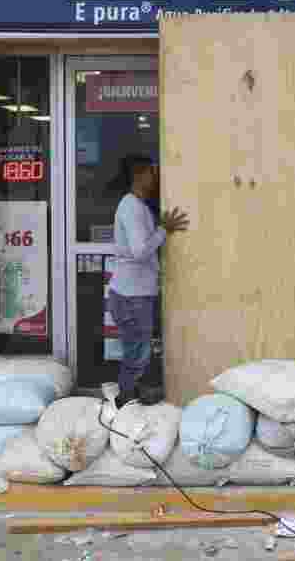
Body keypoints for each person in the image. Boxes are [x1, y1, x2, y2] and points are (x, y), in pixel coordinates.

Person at [109, 155, 189, 405]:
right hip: (131, 296)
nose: (155, 178)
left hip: (134, 293)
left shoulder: (137, 206)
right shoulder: (131, 207)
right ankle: (125, 403)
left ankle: (130, 400)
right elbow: (140, 250)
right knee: (137, 354)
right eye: (152, 173)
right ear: (140, 174)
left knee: (138, 352)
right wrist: (164, 229)